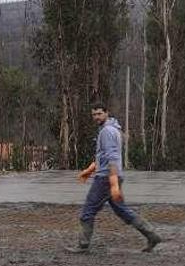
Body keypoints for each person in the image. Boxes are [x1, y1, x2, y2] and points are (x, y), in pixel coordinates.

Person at [67, 103, 162, 254]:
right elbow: (104, 157)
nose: (96, 117)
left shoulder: (107, 132)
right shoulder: (113, 130)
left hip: (106, 178)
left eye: (99, 114)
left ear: (106, 113)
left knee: (88, 210)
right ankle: (152, 235)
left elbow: (112, 157)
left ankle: (82, 245)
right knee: (123, 210)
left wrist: (113, 183)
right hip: (111, 176)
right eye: (94, 114)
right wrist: (89, 171)